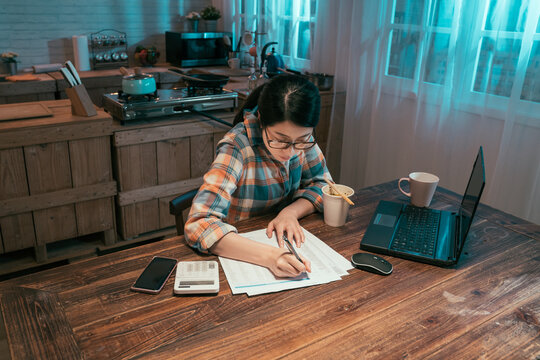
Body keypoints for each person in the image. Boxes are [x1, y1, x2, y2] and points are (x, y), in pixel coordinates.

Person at [184, 74, 332, 278]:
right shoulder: (237, 146)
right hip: (240, 250)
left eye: (302, 141)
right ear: (262, 120)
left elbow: (324, 185)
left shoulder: (298, 138)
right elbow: (198, 223)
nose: (290, 153)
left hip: (283, 239)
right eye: (280, 140)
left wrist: (290, 213)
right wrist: (271, 256)